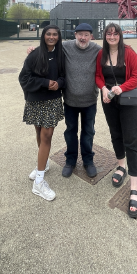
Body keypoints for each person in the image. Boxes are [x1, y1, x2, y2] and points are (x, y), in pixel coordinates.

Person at [29, 23, 102, 178]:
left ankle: (88, 161)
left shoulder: (97, 50)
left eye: (86, 35)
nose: (83, 38)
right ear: (75, 35)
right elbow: (49, 42)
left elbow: (112, 52)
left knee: (88, 132)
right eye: (80, 34)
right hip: (70, 100)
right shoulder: (66, 47)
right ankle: (70, 161)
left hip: (90, 100)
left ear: (91, 36)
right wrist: (33, 50)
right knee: (70, 132)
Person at [96, 23, 137, 218]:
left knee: (131, 140)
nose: (112, 36)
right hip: (109, 99)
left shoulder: (129, 53)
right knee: (115, 134)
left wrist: (121, 88)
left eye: (115, 33)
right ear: (105, 36)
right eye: (109, 33)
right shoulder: (102, 54)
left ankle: (134, 188)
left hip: (129, 99)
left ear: (120, 35)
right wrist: (103, 89)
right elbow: (98, 76)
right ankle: (121, 166)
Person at [18, 25, 66, 201]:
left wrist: (59, 84)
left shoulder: (61, 55)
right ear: (44, 36)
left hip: (52, 101)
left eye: (55, 34)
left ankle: (38, 181)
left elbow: (64, 76)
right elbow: (23, 78)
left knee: (47, 136)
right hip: (36, 100)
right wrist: (45, 83)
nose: (52, 37)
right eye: (49, 34)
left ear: (58, 37)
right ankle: (42, 166)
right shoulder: (35, 55)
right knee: (39, 132)